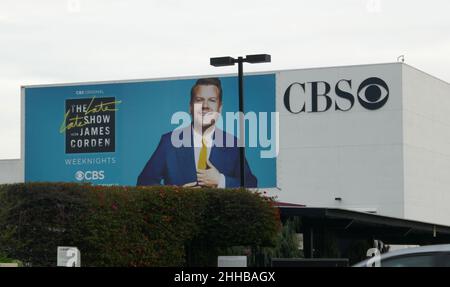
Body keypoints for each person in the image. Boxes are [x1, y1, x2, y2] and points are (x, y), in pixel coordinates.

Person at [137, 77, 257, 188]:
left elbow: (251, 184)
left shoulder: (233, 144)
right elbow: (144, 182)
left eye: (212, 100)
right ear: (190, 107)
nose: (205, 106)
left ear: (220, 108)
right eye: (199, 100)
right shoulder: (169, 142)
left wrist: (220, 181)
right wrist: (176, 194)